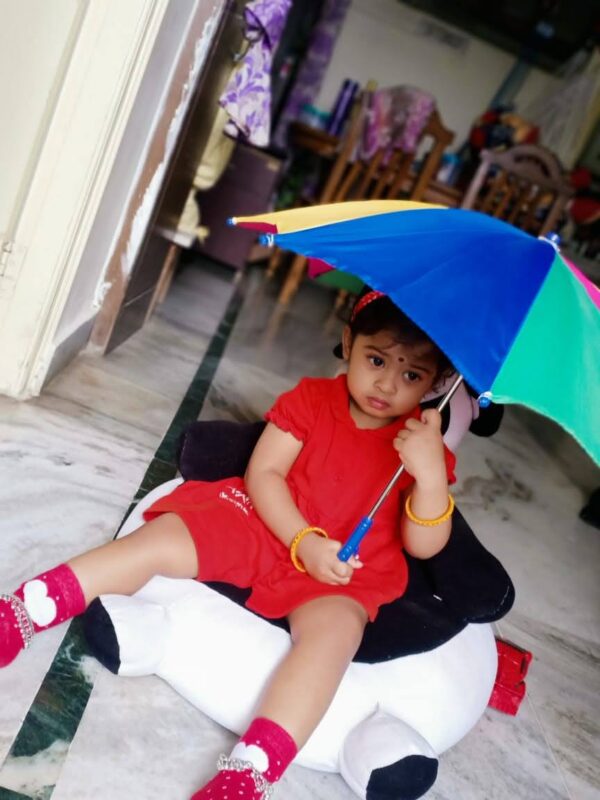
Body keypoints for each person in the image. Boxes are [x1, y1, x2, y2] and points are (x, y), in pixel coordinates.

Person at [1, 290, 458, 799]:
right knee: (162, 539)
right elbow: (266, 473)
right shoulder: (313, 399)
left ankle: (249, 771)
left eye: (412, 375)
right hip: (267, 522)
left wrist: (430, 477)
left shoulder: (422, 447)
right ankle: (24, 610)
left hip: (347, 571)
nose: (388, 384)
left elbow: (424, 545)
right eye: (376, 360)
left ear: (437, 383)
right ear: (349, 342)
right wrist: (303, 539)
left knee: (335, 638)